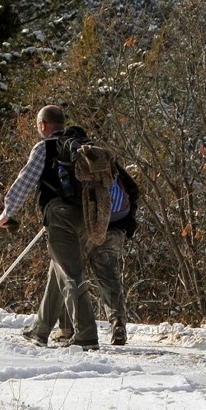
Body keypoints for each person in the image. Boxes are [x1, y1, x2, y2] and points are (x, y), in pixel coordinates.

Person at [0, 105, 99, 349]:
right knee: (59, 271)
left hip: (60, 215)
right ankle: (40, 330)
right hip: (89, 216)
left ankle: (86, 334)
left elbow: (25, 182)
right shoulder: (85, 146)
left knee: (71, 274)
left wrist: (7, 212)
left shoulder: (45, 147)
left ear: (43, 125)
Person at [53, 134, 139, 347]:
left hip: (86, 229)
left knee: (70, 275)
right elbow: (133, 189)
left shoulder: (72, 161)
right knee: (109, 277)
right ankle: (117, 322)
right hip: (114, 228)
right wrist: (128, 222)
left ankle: (69, 327)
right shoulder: (104, 159)